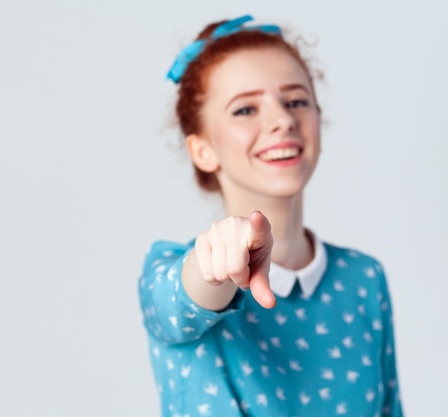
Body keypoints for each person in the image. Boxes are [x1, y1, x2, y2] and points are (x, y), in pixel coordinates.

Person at [139, 15, 403, 417]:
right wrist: (216, 263)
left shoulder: (364, 278)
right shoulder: (169, 273)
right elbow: (185, 299)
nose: (282, 119)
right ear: (202, 150)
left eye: (296, 101)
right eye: (245, 109)